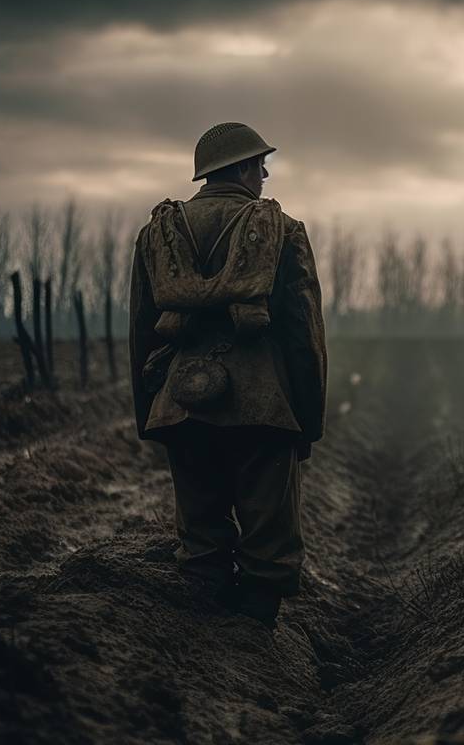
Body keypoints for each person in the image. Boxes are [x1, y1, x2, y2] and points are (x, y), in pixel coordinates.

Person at [129, 122, 327, 628]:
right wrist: (306, 419)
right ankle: (255, 639)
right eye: (260, 165)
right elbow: (304, 334)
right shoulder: (284, 230)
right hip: (264, 406)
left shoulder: (157, 233)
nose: (264, 174)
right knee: (268, 539)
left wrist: (149, 413)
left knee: (199, 537)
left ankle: (202, 644)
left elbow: (141, 333)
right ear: (240, 168)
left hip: (182, 403)